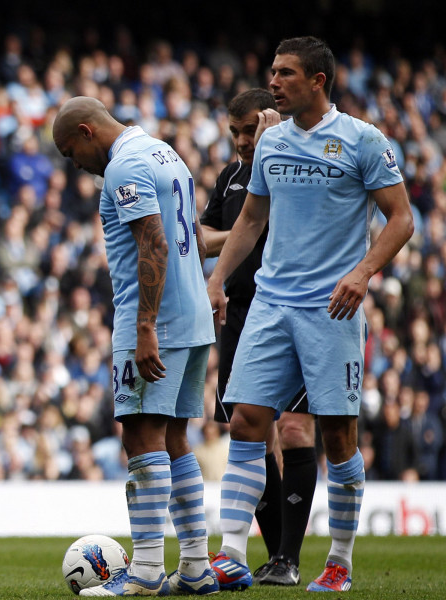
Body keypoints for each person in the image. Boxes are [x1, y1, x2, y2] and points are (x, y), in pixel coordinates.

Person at [207, 37, 413, 593]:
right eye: (272, 72)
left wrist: (363, 272)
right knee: (247, 420)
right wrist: (217, 280)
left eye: (285, 73)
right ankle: (230, 554)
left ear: (317, 80)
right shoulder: (270, 141)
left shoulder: (362, 140)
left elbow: (401, 219)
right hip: (271, 304)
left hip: (331, 308)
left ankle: (339, 562)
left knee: (339, 437)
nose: (273, 82)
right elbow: (250, 219)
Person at [53, 96, 218, 596]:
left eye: (70, 152)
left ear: (86, 131)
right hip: (193, 317)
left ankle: (144, 573)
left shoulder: (123, 166)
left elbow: (154, 243)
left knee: (140, 440)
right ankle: (195, 568)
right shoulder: (165, 152)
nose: (75, 165)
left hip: (156, 320)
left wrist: (145, 324)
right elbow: (187, 236)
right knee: (175, 441)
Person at [200, 88, 318, 587]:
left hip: (296, 311)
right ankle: (273, 558)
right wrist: (244, 231)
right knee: (248, 431)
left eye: (251, 130)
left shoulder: (293, 164)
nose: (244, 140)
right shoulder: (229, 178)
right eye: (235, 132)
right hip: (240, 312)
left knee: (293, 430)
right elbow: (203, 237)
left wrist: (260, 212)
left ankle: (289, 557)